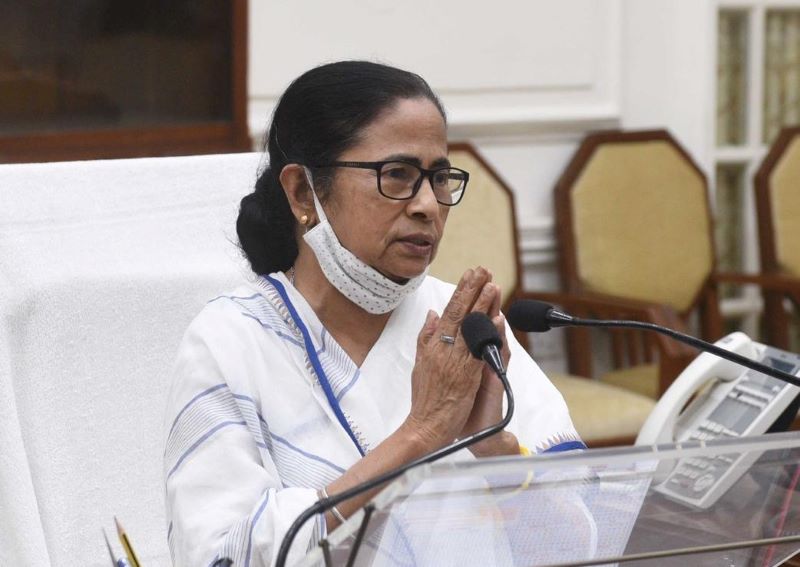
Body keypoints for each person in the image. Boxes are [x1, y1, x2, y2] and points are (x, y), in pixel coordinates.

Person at [163, 60, 583, 567]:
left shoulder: (468, 328)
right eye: (397, 175)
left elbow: (584, 542)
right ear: (302, 192)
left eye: (439, 178)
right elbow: (222, 555)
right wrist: (421, 433)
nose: (428, 205)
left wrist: (493, 448)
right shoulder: (231, 340)